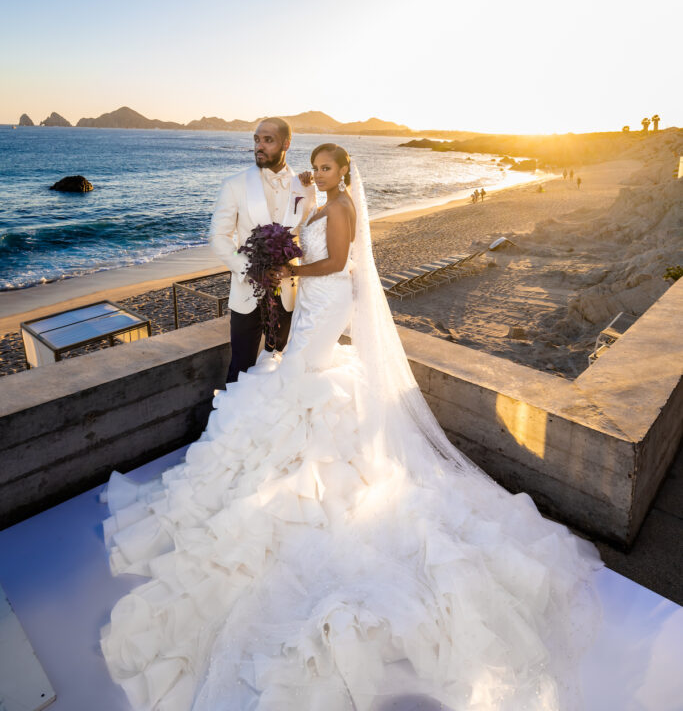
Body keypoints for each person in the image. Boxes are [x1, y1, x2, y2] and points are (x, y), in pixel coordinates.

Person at [100, 144, 604, 711]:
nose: (319, 175)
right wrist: (284, 258)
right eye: (314, 167)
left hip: (327, 298)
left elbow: (339, 263)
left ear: (345, 171)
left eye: (328, 168)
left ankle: (309, 468)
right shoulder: (322, 199)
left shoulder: (340, 208)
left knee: (302, 373)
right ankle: (301, 458)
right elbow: (305, 240)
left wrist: (289, 267)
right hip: (312, 299)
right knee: (301, 376)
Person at [209, 117, 315, 382]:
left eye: (268, 140)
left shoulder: (303, 186)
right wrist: (250, 269)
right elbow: (219, 237)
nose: (260, 146)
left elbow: (307, 236)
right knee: (240, 367)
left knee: (282, 365)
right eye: (257, 139)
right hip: (246, 294)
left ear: (286, 144)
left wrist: (292, 267)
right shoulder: (235, 184)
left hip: (288, 293)